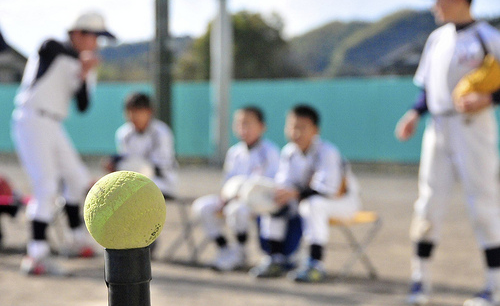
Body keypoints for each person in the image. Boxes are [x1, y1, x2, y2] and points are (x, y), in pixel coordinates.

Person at [394, 0, 500, 306]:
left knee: (483, 203)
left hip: (473, 127)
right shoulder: (436, 38)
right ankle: (419, 280)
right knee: (428, 203)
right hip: (437, 127)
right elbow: (427, 87)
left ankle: (494, 288)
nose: (433, 5)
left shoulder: (488, 36)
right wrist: (414, 112)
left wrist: (489, 97)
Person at [11, 11, 115, 276]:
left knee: (78, 179)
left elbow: (82, 105)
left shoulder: (85, 65)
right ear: (76, 34)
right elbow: (49, 48)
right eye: (93, 36)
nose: (96, 43)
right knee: (46, 186)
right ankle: (36, 255)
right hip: (31, 119)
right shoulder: (54, 49)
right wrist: (80, 63)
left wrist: (83, 72)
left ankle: (75, 239)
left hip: (53, 124)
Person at [250, 104, 361, 282]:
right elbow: (284, 185)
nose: (296, 132)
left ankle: (315, 264)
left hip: (342, 203)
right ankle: (276, 258)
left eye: (302, 127)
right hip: (305, 199)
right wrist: (280, 195)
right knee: (274, 201)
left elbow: (326, 190)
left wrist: (293, 193)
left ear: (315, 130)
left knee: (312, 205)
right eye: (292, 126)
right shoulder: (289, 152)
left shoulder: (327, 151)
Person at [191, 106, 280, 271]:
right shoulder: (234, 152)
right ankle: (225, 250)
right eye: (239, 124)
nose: (243, 129)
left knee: (236, 210)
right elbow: (228, 182)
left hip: (258, 202)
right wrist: (225, 197)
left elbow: (270, 185)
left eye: (248, 124)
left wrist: (244, 195)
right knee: (202, 207)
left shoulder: (270, 151)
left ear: (262, 126)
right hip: (233, 200)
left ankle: (240, 253)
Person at [106, 92, 178, 199]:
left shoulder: (161, 132)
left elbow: (159, 167)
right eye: (130, 111)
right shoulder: (123, 133)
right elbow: (126, 163)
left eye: (137, 111)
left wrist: (125, 164)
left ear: (149, 112)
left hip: (162, 182)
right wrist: (114, 164)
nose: (133, 116)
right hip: (135, 181)